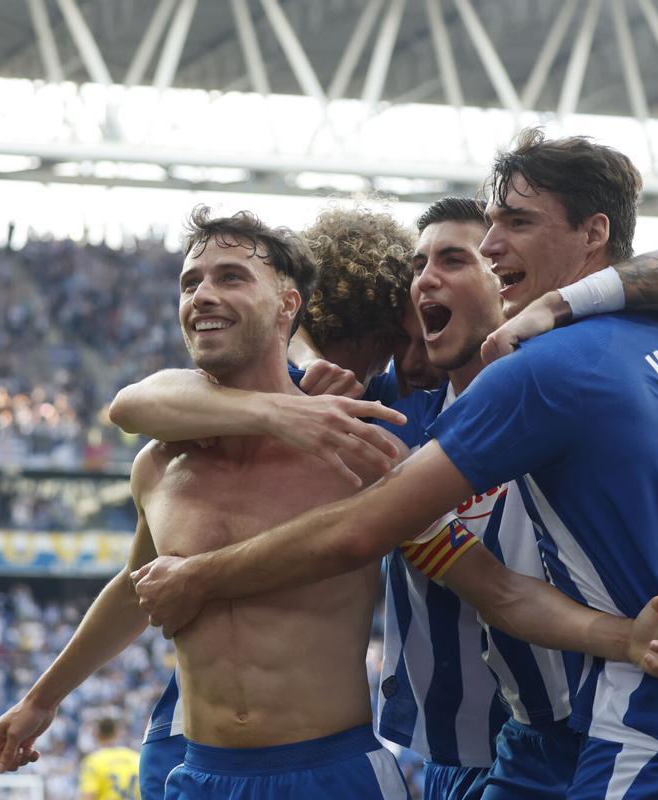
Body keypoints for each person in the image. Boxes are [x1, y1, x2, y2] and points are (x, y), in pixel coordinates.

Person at [132, 130, 658, 800]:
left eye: (483, 244)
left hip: (623, 726)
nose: (431, 279)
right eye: (417, 269)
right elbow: (143, 401)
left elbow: (366, 534)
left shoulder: (545, 374)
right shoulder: (399, 414)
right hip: (514, 741)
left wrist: (202, 578)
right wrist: (275, 409)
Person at [136, 205, 439, 798]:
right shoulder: (162, 458)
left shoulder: (375, 439)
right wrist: (42, 698)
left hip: (333, 766)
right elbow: (131, 404)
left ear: (291, 306)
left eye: (230, 277)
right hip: (197, 764)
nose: (403, 362)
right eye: (192, 281)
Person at [81, 718, 142, 800]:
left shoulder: (93, 761)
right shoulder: (136, 757)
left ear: (97, 734)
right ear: (117, 733)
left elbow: (88, 796)